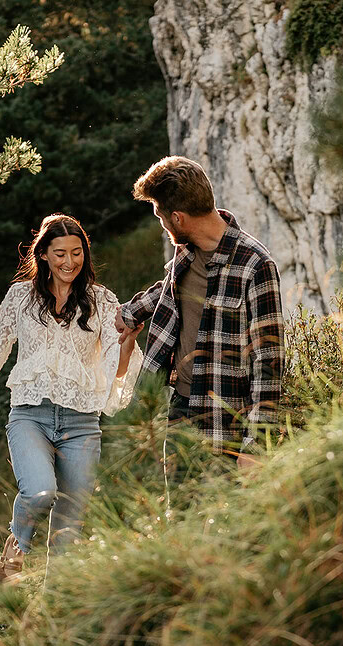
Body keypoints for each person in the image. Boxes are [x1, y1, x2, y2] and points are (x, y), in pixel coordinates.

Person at [0, 214, 143, 586]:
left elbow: (117, 369)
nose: (69, 262)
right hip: (31, 416)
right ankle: (15, 554)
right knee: (40, 491)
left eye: (77, 253)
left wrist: (127, 341)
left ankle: (55, 603)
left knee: (70, 521)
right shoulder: (20, 298)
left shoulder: (102, 301)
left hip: (82, 424)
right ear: (43, 254)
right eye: (60, 253)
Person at [114, 156, 284, 467]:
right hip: (181, 408)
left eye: (160, 216)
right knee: (177, 512)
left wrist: (257, 444)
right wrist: (128, 313)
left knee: (229, 514)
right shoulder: (187, 252)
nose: (162, 224)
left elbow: (269, 363)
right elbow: (168, 290)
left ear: (177, 217)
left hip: (229, 420)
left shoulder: (256, 265)